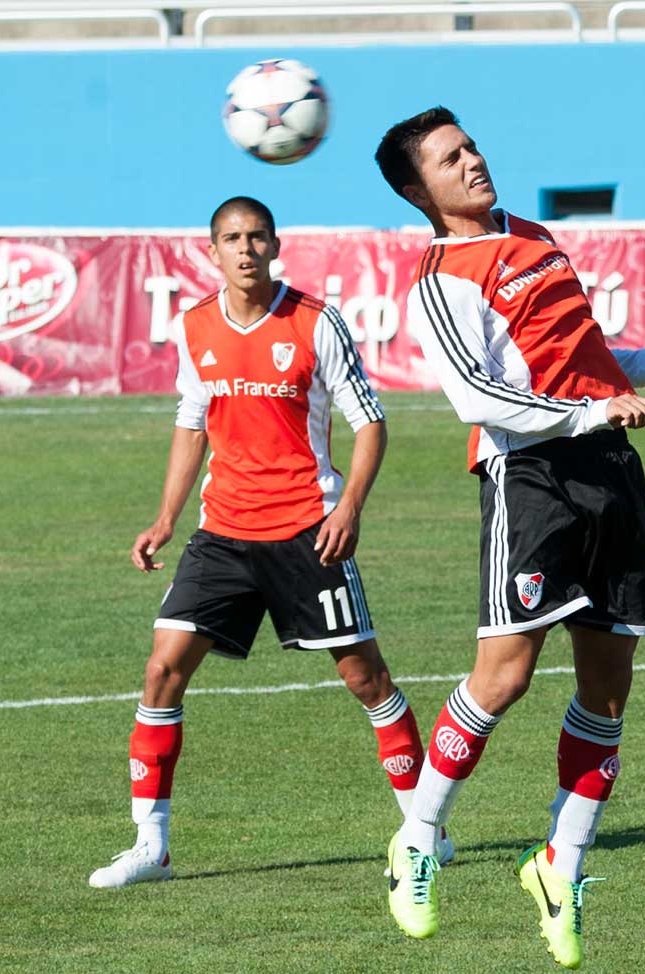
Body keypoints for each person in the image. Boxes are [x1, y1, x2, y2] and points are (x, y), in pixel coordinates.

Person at [372, 106, 645, 968]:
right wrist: (592, 411)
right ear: (418, 191)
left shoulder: (533, 235)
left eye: (471, 146)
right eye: (449, 159)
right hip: (531, 478)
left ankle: (562, 865)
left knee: (609, 686)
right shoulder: (441, 279)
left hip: (610, 469)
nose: (473, 162)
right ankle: (417, 837)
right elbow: (478, 398)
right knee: (505, 674)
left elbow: (576, 350)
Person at [87, 196, 449, 889]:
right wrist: (165, 519)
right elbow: (192, 421)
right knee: (162, 671)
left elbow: (370, 423)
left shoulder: (315, 321)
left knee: (365, 679)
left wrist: (349, 508)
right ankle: (151, 846)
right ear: (212, 251)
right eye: (232, 238)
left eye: (257, 237)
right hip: (222, 533)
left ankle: (424, 830)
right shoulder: (195, 325)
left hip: (308, 532)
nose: (246, 249)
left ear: (276, 246)